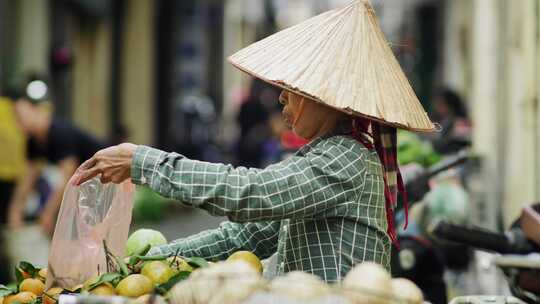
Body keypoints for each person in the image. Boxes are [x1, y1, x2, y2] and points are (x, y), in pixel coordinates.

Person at [74, 0, 436, 282]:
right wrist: (150, 261)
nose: (281, 100)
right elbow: (245, 237)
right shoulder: (326, 154)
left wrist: (144, 162)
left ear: (324, 98)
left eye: (291, 91)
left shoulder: (345, 159)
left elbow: (250, 192)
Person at [7, 96, 106, 235]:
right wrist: (15, 211)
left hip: (105, 177)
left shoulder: (59, 132)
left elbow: (69, 178)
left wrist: (48, 213)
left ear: (37, 110)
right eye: (16, 118)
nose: (19, 123)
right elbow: (27, 179)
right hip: (86, 183)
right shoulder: (33, 142)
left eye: (21, 115)